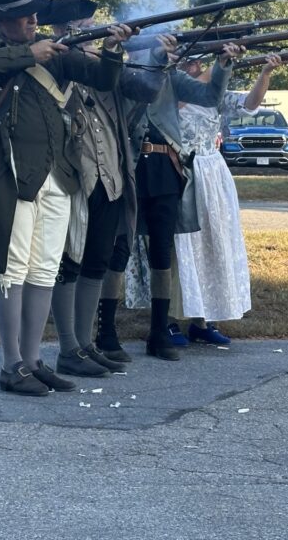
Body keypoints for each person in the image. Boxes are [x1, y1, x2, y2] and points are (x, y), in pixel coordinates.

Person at [0, 0, 131, 396]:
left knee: (44, 271)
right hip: (13, 173)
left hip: (59, 172)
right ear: (4, 21)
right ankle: (10, 365)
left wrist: (113, 48)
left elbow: (105, 79)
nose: (35, 20)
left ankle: (34, 361)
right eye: (26, 15)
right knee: (12, 271)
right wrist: (28, 54)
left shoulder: (57, 56)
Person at [38, 0, 166, 372]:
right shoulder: (54, 58)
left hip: (109, 175)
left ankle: (85, 343)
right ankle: (67, 348)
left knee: (96, 261)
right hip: (73, 175)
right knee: (69, 263)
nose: (88, 36)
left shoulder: (101, 62)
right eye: (80, 30)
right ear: (63, 30)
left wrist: (157, 57)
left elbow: (145, 90)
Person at [121, 33, 243, 361]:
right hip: (131, 167)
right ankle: (105, 334)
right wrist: (161, 57)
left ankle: (160, 330)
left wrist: (222, 64)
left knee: (163, 250)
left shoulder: (170, 77)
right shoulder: (124, 74)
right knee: (118, 249)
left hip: (165, 166)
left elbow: (210, 94)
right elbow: (144, 88)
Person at [168, 54, 283, 346]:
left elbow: (250, 103)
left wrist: (266, 72)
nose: (198, 65)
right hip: (180, 170)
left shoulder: (216, 94)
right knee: (179, 248)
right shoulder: (171, 88)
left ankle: (203, 320)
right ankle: (167, 319)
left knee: (211, 245)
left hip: (212, 174)